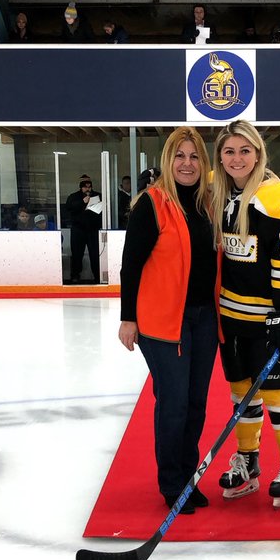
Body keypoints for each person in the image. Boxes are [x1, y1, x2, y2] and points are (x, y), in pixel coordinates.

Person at [118, 127, 218, 514]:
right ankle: (172, 484)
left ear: (203, 163)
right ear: (167, 160)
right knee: (174, 403)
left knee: (196, 404)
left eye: (194, 156)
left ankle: (188, 479)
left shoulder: (208, 204)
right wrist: (128, 318)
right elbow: (131, 266)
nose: (187, 164)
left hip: (204, 320)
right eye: (180, 156)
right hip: (162, 324)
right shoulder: (152, 203)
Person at [212, 119, 280, 508]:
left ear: (258, 153)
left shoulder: (277, 197)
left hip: (270, 321)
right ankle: (248, 460)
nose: (237, 158)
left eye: (244, 150)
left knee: (278, 394)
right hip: (231, 319)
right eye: (229, 151)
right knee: (241, 394)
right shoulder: (220, 192)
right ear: (220, 157)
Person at [64, 176, 101, 283]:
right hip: (78, 229)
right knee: (77, 254)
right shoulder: (74, 197)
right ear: (81, 187)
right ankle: (75, 275)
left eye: (89, 187)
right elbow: (68, 209)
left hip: (93, 229)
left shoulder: (98, 196)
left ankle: (97, 276)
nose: (87, 189)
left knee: (95, 254)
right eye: (85, 187)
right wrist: (82, 202)